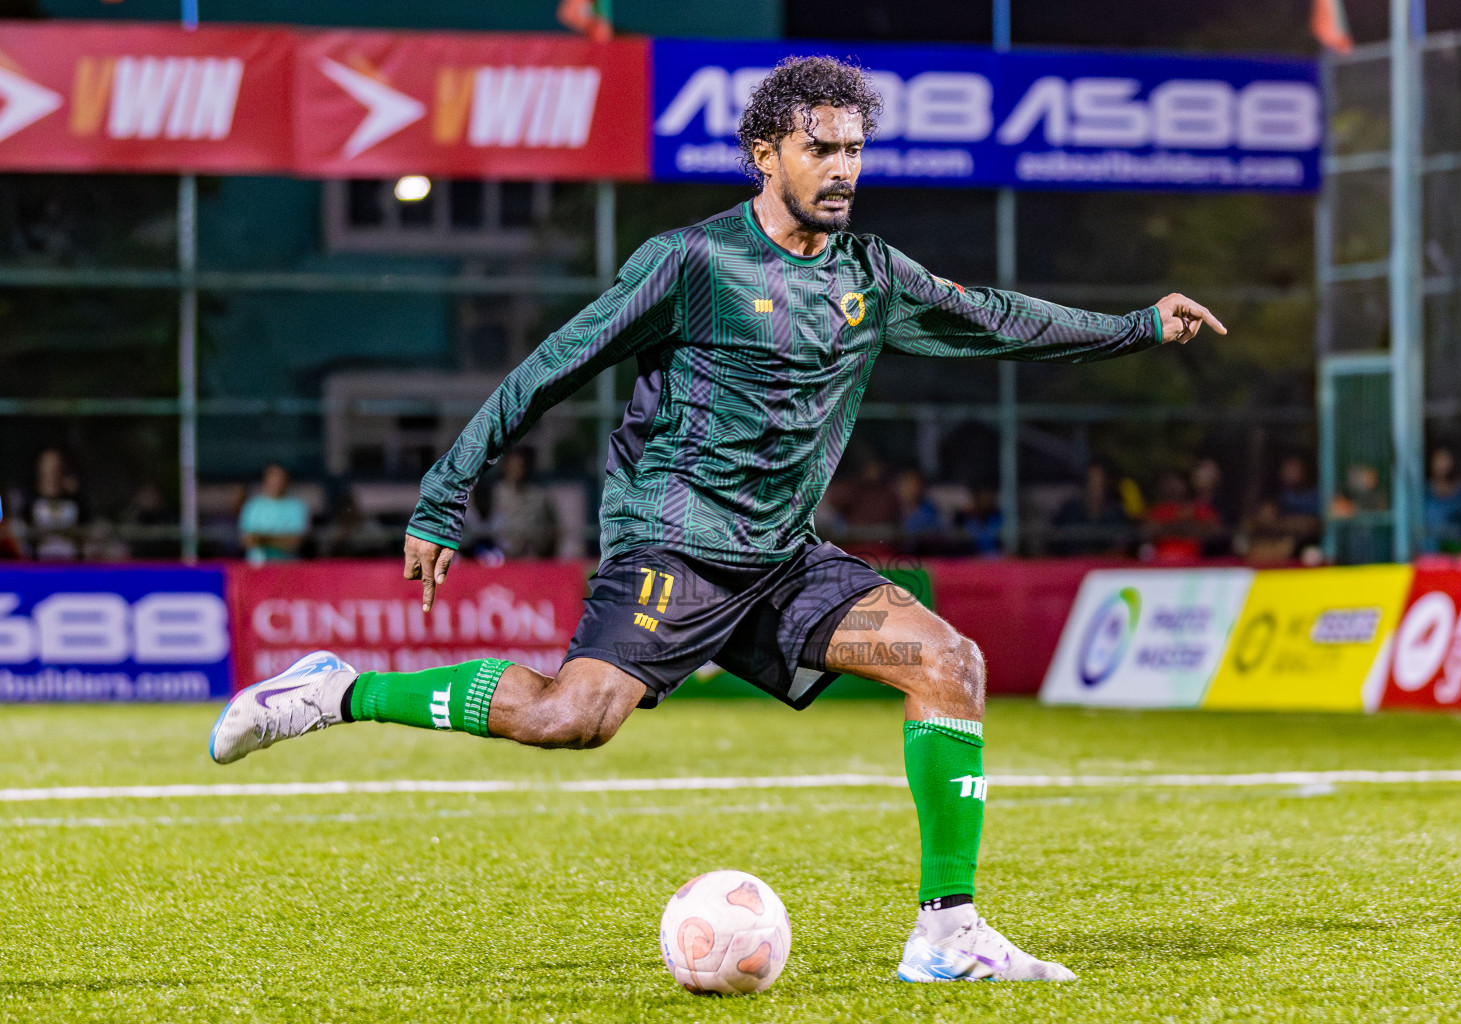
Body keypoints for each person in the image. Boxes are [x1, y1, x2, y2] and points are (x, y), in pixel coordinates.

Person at [208, 56, 1224, 984]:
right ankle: (337, 690)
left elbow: (997, 317)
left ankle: (947, 934)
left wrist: (1137, 326)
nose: (841, 168)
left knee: (948, 663)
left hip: (782, 560)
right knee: (573, 718)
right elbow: (548, 368)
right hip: (673, 545)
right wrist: (443, 491)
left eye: (854, 149)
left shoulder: (869, 274)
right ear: (764, 153)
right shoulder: (688, 262)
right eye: (820, 147)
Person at [488, 447, 560, 558]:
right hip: (501, 558)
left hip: (534, 558)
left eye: (520, 465)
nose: (517, 470)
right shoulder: (494, 494)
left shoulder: (539, 497)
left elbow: (554, 528)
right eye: (513, 465)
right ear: (506, 467)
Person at [1051, 462, 1132, 556]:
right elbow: (1054, 541)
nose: (1094, 485)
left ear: (1105, 484)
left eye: (1099, 481)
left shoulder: (1116, 514)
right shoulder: (1069, 511)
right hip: (1073, 565)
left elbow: (1124, 546)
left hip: (1106, 566)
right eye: (1091, 480)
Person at [238, 463, 310, 564]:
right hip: (257, 567)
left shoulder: (297, 507)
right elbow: (247, 540)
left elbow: (295, 542)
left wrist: (263, 538)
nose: (276, 482)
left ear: (286, 480)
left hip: (288, 567)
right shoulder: (252, 506)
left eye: (280, 478)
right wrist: (279, 539)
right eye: (272, 477)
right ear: (265, 479)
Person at [26, 448, 84, 560]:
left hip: (71, 562)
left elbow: (85, 528)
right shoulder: (30, 500)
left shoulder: (73, 500)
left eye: (55, 466)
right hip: (37, 564)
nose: (51, 471)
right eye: (47, 465)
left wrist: (76, 495)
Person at [1423, 447, 1461, 552]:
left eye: (1445, 460)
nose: (1442, 465)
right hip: (1428, 555)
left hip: (1458, 554)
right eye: (1438, 460)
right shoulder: (1424, 493)